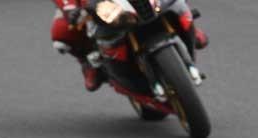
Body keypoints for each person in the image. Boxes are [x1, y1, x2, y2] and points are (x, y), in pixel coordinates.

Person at [50, 0, 209, 92]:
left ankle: (189, 26)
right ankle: (88, 62)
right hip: (98, 6)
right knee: (62, 31)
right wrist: (70, 9)